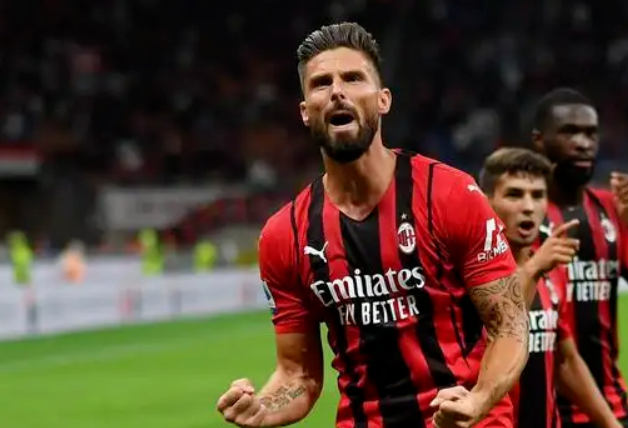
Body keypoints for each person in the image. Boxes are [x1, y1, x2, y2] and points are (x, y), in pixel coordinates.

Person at [216, 22, 529, 428]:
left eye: (353, 78)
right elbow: (299, 375)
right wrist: (262, 407)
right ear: (306, 111)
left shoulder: (451, 194)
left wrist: (479, 400)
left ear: (383, 101)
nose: (337, 91)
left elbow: (510, 325)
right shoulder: (283, 235)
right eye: (321, 83)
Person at [528, 88, 628, 428]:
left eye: (591, 134)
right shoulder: (523, 215)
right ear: (539, 140)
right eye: (569, 132)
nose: (584, 143)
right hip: (545, 411)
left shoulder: (610, 209)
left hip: (612, 404)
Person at [480, 147, 623, 428]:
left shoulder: (550, 265)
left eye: (537, 195)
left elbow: (564, 360)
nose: (528, 207)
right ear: (486, 201)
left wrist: (611, 424)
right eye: (514, 195)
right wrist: (533, 269)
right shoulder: (472, 270)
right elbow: (498, 330)